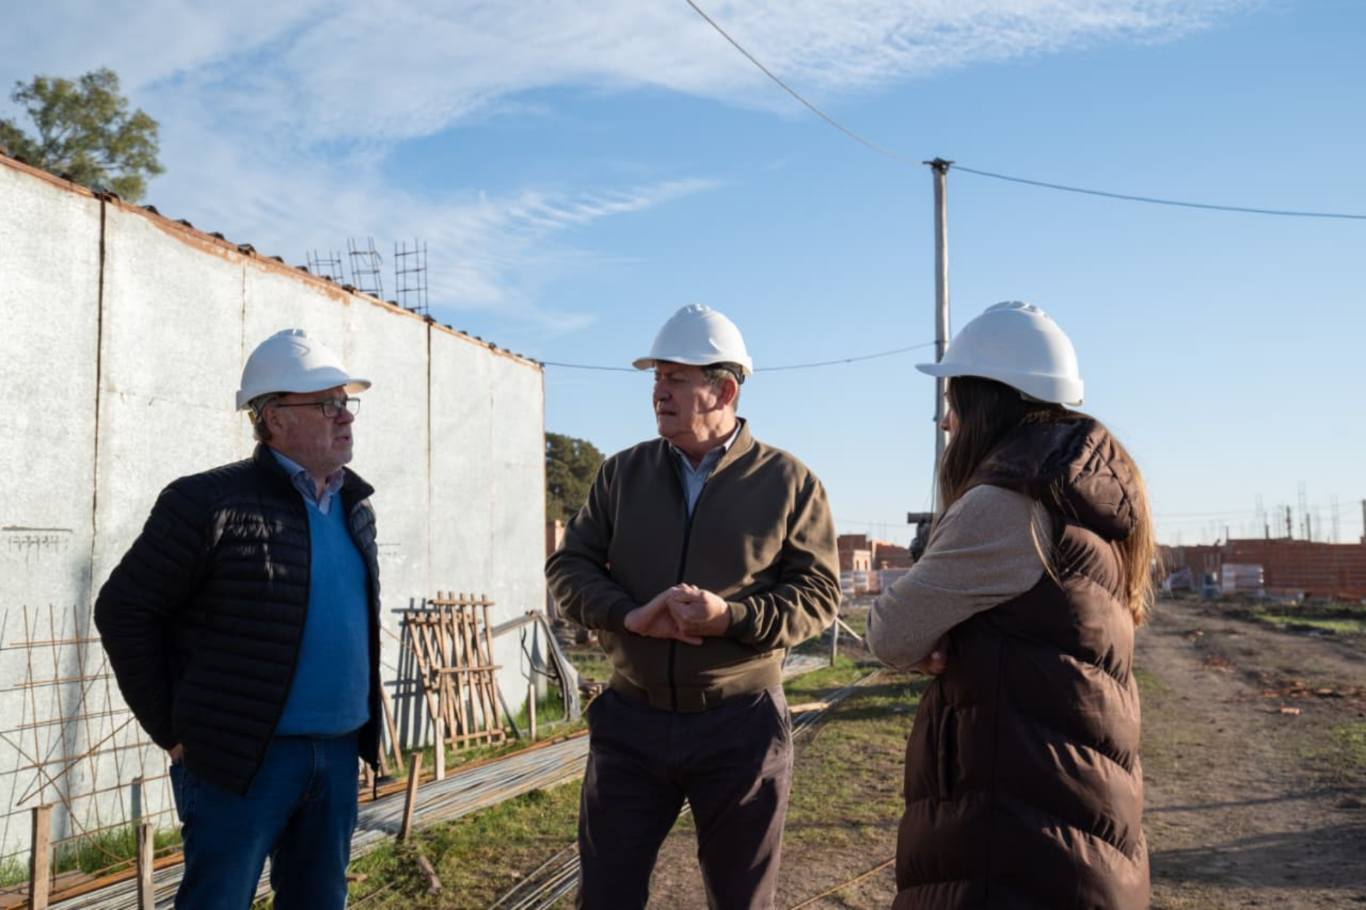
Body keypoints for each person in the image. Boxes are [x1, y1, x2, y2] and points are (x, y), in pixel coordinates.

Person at [546, 304, 842, 910]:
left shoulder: (789, 481)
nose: (658, 392)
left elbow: (818, 595)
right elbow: (568, 567)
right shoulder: (621, 474)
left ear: (724, 390)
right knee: (604, 896)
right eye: (657, 378)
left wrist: (731, 618)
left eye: (675, 379)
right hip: (631, 721)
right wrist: (626, 614)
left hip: (741, 726)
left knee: (740, 900)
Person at [867, 301, 1154, 909]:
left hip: (1010, 841)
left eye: (953, 401)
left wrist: (933, 627)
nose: (946, 423)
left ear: (987, 402)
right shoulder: (1079, 495)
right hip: (1065, 826)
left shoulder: (1004, 506)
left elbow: (891, 633)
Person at [94, 328, 382, 910]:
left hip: (337, 753)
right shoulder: (206, 502)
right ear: (274, 418)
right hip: (240, 760)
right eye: (328, 404)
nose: (346, 416)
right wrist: (172, 731)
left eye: (347, 402)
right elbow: (124, 610)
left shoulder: (355, 506)